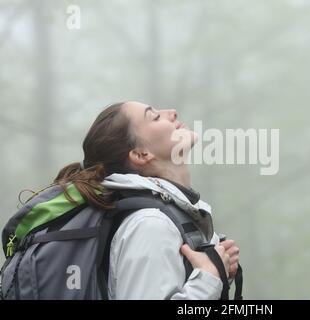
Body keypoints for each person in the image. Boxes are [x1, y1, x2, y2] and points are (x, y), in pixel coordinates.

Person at [54, 101, 240, 299]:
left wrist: (218, 268)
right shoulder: (151, 225)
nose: (173, 112)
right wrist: (208, 279)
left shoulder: (165, 217)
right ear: (141, 154)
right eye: (155, 117)